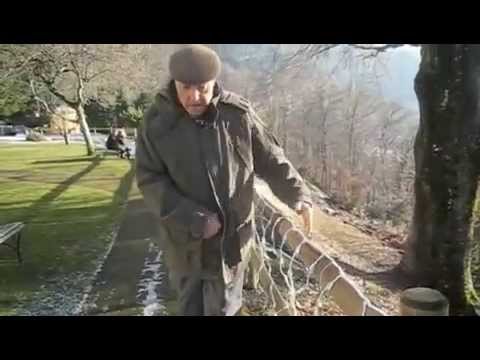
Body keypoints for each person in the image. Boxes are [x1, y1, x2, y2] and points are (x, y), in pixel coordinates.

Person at [135, 44, 313, 316]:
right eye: (186, 88)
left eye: (203, 88)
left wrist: (297, 194)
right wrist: (194, 217)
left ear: (214, 83)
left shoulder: (237, 115)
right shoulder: (156, 123)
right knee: (189, 308)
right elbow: (149, 179)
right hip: (184, 244)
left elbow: (270, 158)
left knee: (223, 310)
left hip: (230, 244)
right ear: (174, 83)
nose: (194, 97)